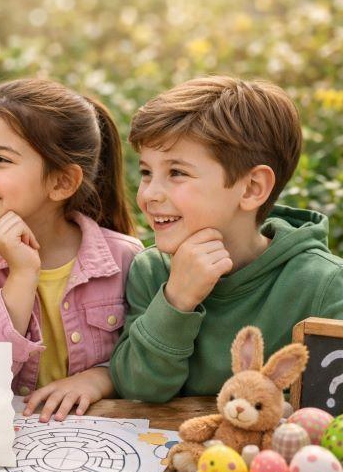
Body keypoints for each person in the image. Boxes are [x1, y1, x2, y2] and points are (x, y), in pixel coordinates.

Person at [110, 76, 343, 402]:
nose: (148, 194)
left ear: (251, 189)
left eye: (176, 172)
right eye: (147, 172)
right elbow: (138, 388)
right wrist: (176, 301)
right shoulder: (152, 271)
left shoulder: (326, 286)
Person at [0, 78, 142, 422]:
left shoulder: (125, 258)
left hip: (95, 442)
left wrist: (100, 377)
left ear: (61, 182)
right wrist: (21, 275)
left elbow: (145, 361)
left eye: (1, 159)